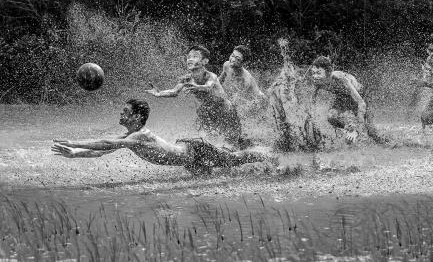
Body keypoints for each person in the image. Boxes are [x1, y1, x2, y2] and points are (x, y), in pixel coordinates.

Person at [52, 99, 276, 174]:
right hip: (190, 159)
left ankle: (270, 155)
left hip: (194, 150)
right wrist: (74, 154)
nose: (121, 114)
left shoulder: (139, 136)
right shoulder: (131, 137)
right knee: (219, 176)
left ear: (138, 117)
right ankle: (260, 164)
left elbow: (108, 142)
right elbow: (102, 151)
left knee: (233, 161)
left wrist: (73, 141)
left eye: (126, 112)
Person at [145, 45, 248, 148]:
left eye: (195, 57)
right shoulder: (187, 79)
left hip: (227, 111)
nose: (190, 59)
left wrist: (198, 87)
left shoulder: (210, 76)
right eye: (189, 57)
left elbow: (208, 87)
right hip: (210, 111)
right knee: (202, 114)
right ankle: (212, 146)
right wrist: (159, 93)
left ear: (205, 61)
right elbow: (174, 92)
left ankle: (241, 143)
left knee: (234, 140)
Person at [309, 56, 387, 145]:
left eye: (318, 73)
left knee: (371, 131)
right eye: (313, 73)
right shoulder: (318, 82)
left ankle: (388, 144)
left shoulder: (341, 79)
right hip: (342, 97)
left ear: (329, 72)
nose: (315, 76)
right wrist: (312, 123)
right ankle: (349, 130)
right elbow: (312, 104)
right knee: (331, 117)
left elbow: (361, 104)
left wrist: (358, 128)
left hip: (360, 96)